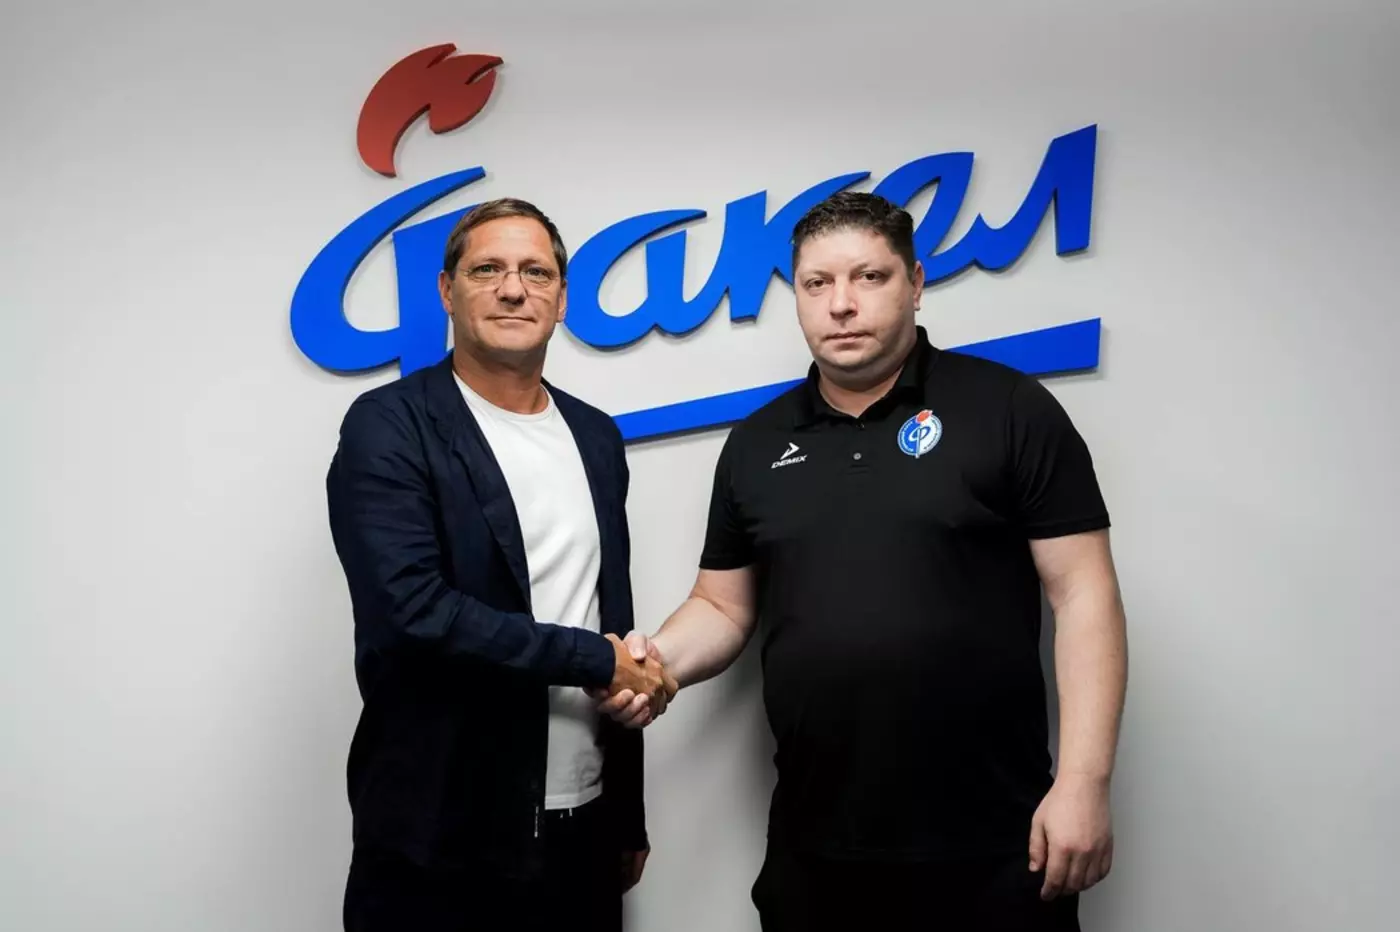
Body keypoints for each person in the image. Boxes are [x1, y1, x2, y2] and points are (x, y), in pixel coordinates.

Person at [600, 191, 1129, 930]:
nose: (841, 304)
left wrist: (1084, 782)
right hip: (816, 846)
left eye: (869, 277)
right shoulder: (756, 442)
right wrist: (656, 665)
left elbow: (1084, 595)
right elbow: (721, 606)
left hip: (994, 839)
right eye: (817, 283)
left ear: (915, 283)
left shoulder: (1009, 408)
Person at [326, 197, 677, 932]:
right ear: (447, 290)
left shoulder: (594, 434)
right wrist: (596, 660)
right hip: (441, 836)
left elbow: (607, 611)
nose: (514, 289)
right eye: (487, 269)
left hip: (584, 827)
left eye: (535, 272)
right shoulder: (390, 425)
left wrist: (627, 811)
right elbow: (412, 612)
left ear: (562, 299)